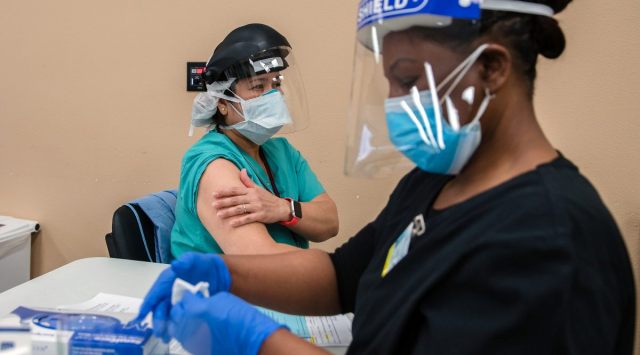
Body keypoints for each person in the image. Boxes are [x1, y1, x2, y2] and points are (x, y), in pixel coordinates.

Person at [137, 1, 636, 354]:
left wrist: (259, 342)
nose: (398, 100)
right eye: (393, 82)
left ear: (490, 69)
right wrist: (227, 274)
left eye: (411, 79)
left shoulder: (546, 243)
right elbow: (343, 277)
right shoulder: (434, 183)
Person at [172, 23, 339, 257]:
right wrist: (338, 268)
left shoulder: (282, 152)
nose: (273, 95)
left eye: (276, 84)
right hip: (220, 290)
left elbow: (330, 223)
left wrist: (282, 208)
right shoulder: (214, 165)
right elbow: (262, 260)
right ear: (222, 103)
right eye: (258, 86)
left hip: (278, 285)